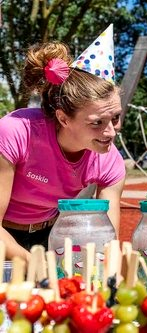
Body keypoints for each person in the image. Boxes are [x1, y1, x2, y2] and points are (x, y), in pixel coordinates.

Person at [0, 36, 125, 260]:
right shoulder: (16, 132)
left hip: (49, 235)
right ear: (64, 118)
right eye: (97, 122)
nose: (111, 132)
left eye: (115, 118)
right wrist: (37, 267)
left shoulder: (109, 160)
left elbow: (109, 241)